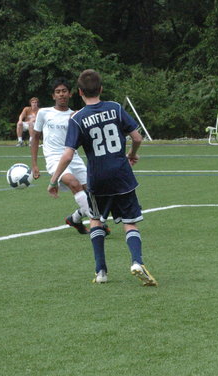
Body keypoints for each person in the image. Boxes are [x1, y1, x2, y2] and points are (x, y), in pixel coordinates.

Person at [48, 69, 156, 286]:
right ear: (101, 89)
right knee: (130, 222)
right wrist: (131, 154)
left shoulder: (77, 118)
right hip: (122, 175)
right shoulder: (115, 108)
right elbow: (137, 137)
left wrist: (54, 180)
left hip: (97, 179)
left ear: (79, 92)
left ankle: (101, 272)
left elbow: (67, 154)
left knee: (96, 220)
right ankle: (137, 262)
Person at [31, 78, 104, 235]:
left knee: (93, 193)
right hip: (54, 159)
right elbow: (35, 137)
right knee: (74, 184)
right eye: (57, 92)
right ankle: (98, 224)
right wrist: (35, 164)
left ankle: (74, 219)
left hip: (73, 157)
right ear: (53, 96)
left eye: (64, 91)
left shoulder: (76, 115)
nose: (61, 94)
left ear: (70, 94)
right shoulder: (44, 113)